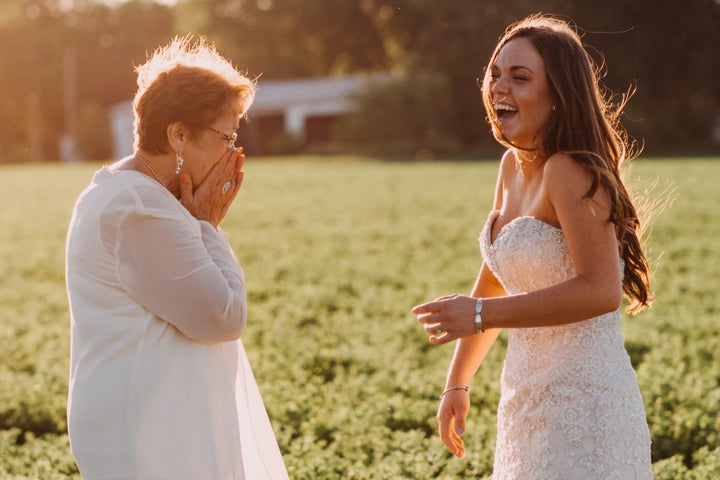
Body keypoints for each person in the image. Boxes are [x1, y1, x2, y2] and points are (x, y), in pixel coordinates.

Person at [412, 14, 653, 479]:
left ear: (559, 95)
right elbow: (494, 277)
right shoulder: (510, 165)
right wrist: (456, 383)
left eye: (520, 78)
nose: (499, 87)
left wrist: (480, 314)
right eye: (495, 73)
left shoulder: (569, 169)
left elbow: (602, 290)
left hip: (586, 409)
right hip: (525, 401)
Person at [65, 36, 289, 479]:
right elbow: (222, 316)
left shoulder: (136, 194)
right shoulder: (138, 207)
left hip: (157, 417)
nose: (233, 153)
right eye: (226, 136)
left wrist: (198, 223)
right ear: (178, 134)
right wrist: (206, 223)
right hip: (146, 428)